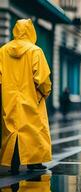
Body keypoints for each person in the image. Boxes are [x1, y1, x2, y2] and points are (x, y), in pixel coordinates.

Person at [0, 19, 52, 173]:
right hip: (31, 97)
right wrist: (44, 93)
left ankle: (12, 161)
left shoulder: (3, 51)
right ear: (31, 31)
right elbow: (42, 79)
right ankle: (34, 162)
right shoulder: (35, 51)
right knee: (34, 129)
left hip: (9, 98)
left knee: (11, 128)